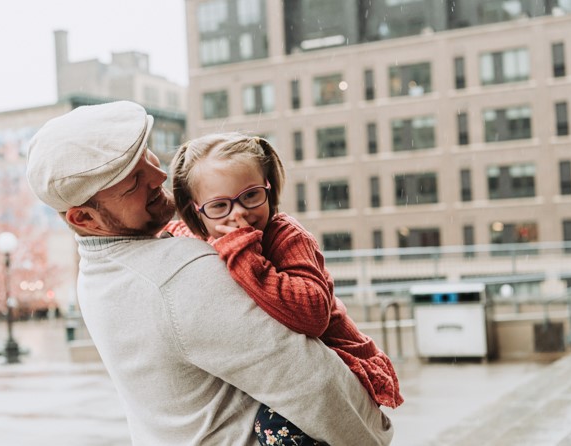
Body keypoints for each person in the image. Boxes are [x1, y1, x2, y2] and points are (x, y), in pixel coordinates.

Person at [26, 101, 393, 446]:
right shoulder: (180, 274)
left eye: (149, 157)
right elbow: (313, 386)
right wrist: (376, 433)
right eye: (133, 181)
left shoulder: (96, 277)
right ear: (83, 218)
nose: (159, 176)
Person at [167, 132, 403, 445]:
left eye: (250, 196)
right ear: (196, 210)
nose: (239, 214)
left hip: (332, 365)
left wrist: (243, 252)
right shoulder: (200, 235)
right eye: (220, 205)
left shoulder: (288, 237)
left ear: (269, 187)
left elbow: (312, 316)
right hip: (272, 371)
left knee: (276, 426)